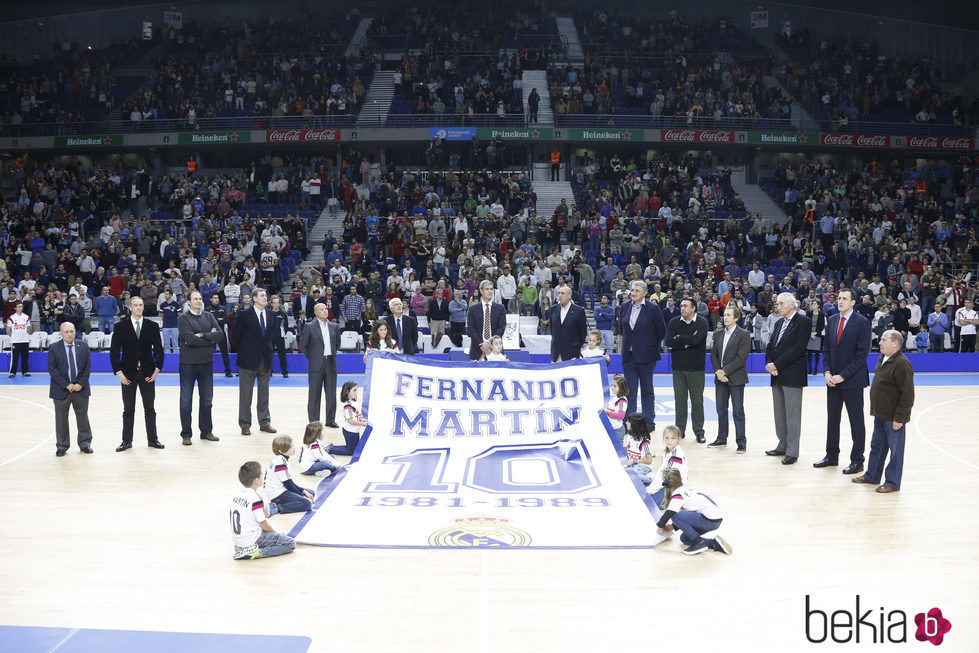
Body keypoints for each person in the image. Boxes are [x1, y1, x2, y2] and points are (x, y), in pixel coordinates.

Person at [816, 288, 872, 474]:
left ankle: (857, 460)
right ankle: (831, 455)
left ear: (853, 302)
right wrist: (826, 372)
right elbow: (826, 350)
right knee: (833, 420)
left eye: (844, 299)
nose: (840, 301)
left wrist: (843, 375)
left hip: (853, 380)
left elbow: (861, 354)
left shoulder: (862, 322)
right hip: (832, 380)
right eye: (839, 298)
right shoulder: (831, 320)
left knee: (856, 421)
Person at [853, 330, 915, 493]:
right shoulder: (883, 358)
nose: (879, 342)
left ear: (895, 343)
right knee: (877, 447)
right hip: (880, 414)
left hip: (894, 417)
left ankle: (892, 483)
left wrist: (900, 418)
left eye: (883, 339)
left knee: (895, 452)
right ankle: (872, 475)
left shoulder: (902, 363)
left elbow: (908, 394)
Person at [109, 297, 165, 451]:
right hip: (128, 374)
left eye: (141, 305)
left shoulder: (152, 326)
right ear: (130, 308)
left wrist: (157, 370)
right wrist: (118, 372)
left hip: (148, 373)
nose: (139, 307)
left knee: (150, 409)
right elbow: (114, 351)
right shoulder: (120, 327)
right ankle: (126, 441)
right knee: (128, 409)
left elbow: (159, 350)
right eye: (136, 305)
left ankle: (153, 439)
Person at [764, 293, 810, 465]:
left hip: (792, 374)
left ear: (793, 305)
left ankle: (792, 451)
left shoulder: (803, 322)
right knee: (780, 413)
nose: (778, 306)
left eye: (782, 303)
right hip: (776, 374)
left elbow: (798, 348)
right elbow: (771, 345)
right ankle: (782, 445)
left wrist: (776, 364)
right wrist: (769, 362)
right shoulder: (778, 323)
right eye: (777, 304)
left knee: (792, 414)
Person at [619, 280, 667, 430]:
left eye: (637, 291)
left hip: (647, 356)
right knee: (629, 391)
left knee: (647, 390)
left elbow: (661, 330)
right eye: (632, 290)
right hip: (629, 356)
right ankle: (629, 422)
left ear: (645, 293)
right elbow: (622, 328)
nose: (633, 293)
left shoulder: (653, 308)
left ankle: (649, 422)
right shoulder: (625, 306)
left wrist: (649, 344)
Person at [178, 291, 223, 445]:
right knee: (185, 401)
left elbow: (220, 335)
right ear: (188, 302)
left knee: (206, 400)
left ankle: (206, 432)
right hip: (187, 364)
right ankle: (186, 434)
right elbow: (189, 338)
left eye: (200, 299)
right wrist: (209, 339)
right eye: (195, 299)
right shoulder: (183, 318)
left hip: (206, 363)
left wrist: (201, 336)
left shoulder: (209, 316)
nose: (198, 301)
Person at [655, 468, 732, 556]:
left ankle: (698, 543)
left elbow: (670, 512)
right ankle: (714, 543)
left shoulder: (678, 494)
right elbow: (691, 512)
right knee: (685, 538)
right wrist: (673, 526)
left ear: (666, 482)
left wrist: (660, 525)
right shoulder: (687, 489)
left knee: (675, 516)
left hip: (709, 520)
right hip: (715, 520)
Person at [232, 287, 276, 436]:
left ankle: (264, 422)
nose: (265, 297)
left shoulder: (271, 314)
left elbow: (271, 337)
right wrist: (245, 351)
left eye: (266, 295)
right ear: (254, 298)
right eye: (262, 295)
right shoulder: (244, 314)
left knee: (264, 395)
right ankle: (245, 424)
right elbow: (235, 336)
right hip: (247, 360)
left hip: (266, 360)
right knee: (245, 395)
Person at [229, 461, 296, 560]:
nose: (262, 476)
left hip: (238, 540)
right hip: (252, 539)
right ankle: (257, 552)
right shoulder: (255, 498)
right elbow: (263, 524)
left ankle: (243, 548)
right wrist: (275, 533)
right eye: (261, 474)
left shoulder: (237, 494)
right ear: (257, 480)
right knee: (290, 543)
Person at [665, 297, 709, 443]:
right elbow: (669, 341)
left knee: (697, 402)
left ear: (693, 308)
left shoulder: (702, 322)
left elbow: (696, 341)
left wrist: (680, 339)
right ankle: (680, 431)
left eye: (685, 306)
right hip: (678, 368)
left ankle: (699, 432)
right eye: (681, 305)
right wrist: (687, 341)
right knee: (680, 401)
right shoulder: (674, 322)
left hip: (696, 369)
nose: (682, 308)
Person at [709, 304, 750, 453]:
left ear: (736, 318)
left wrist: (724, 372)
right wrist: (717, 371)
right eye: (724, 315)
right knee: (721, 410)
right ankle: (721, 438)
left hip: (736, 378)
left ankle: (741, 442)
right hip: (720, 378)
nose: (725, 317)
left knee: (738, 411)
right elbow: (714, 355)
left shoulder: (744, 334)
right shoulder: (718, 333)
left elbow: (741, 358)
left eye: (728, 315)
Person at [48, 322, 93, 456]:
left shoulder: (83, 346)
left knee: (83, 417)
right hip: (61, 389)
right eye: (66, 332)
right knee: (61, 418)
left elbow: (87, 367)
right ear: (61, 333)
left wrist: (80, 383)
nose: (70, 334)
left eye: (72, 331)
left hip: (81, 388)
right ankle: (62, 445)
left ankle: (85, 443)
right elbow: (52, 369)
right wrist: (66, 384)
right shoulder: (54, 348)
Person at [298, 303, 341, 428]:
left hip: (331, 362)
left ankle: (330, 419)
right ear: (315, 312)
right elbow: (303, 345)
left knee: (331, 393)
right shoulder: (310, 327)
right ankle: (314, 421)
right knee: (314, 394)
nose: (325, 311)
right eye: (321, 309)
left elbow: (337, 344)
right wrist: (313, 358)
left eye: (325, 309)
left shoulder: (334, 326)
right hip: (316, 363)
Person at [263, 436, 314, 514]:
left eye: (292, 445)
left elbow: (289, 483)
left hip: (281, 489)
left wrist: (303, 491)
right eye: (290, 447)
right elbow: (288, 485)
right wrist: (302, 496)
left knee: (311, 493)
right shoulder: (280, 463)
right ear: (281, 451)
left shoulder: (282, 459)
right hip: (277, 494)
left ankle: (282, 503)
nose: (293, 448)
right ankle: (276, 508)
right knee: (307, 504)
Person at [648, 425, 688, 507]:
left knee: (650, 505)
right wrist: (651, 487)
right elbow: (660, 472)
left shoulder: (676, 456)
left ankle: (676, 502)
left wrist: (652, 490)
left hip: (674, 487)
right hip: (667, 484)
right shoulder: (666, 452)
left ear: (679, 439)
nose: (669, 441)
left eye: (673, 438)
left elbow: (668, 479)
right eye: (667, 438)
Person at [466, 279, 506, 361]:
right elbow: (471, 328)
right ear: (481, 291)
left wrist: (489, 343)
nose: (490, 291)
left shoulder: (500, 308)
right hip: (477, 349)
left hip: (495, 350)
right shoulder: (473, 309)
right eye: (487, 289)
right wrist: (482, 344)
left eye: (491, 289)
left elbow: (501, 327)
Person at [549, 286, 587, 362]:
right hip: (556, 353)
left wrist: (576, 347)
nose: (560, 295)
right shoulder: (553, 309)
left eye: (562, 293)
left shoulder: (579, 311)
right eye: (559, 293)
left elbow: (583, 333)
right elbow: (551, 328)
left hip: (572, 354)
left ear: (569, 295)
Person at [333, 381, 368, 456]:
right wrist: (362, 423)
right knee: (350, 451)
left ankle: (331, 447)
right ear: (347, 392)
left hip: (354, 431)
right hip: (350, 432)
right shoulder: (348, 406)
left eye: (357, 390)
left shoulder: (354, 403)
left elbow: (357, 416)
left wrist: (362, 420)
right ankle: (329, 450)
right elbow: (350, 421)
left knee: (352, 448)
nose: (356, 392)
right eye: (354, 390)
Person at [622, 413, 654, 485]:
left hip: (644, 465)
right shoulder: (630, 435)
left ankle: (652, 479)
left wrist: (634, 461)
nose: (626, 422)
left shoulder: (644, 442)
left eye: (628, 421)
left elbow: (649, 460)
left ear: (635, 424)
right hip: (633, 464)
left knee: (629, 477)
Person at [205, 293, 233, 377]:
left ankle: (228, 371)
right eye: (214, 298)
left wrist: (214, 320)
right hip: (211, 333)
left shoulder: (223, 308)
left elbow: (225, 320)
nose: (216, 299)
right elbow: (207, 321)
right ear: (211, 299)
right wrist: (218, 320)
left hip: (221, 333)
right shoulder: (207, 309)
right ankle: (207, 372)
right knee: (208, 353)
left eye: (217, 298)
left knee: (225, 353)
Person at [7, 301, 31, 377]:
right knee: (15, 357)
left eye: (21, 306)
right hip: (15, 341)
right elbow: (8, 329)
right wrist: (13, 336)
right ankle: (12, 372)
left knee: (25, 357)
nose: (20, 308)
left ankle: (25, 371)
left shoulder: (26, 317)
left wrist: (24, 335)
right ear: (15, 308)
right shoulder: (11, 318)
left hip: (25, 340)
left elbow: (28, 328)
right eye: (19, 307)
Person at [269, 295, 289, 378]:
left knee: (282, 354)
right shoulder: (268, 312)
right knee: (269, 354)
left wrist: (283, 333)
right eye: (275, 303)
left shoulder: (283, 313)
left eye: (278, 303)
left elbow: (286, 325)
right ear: (272, 304)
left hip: (280, 336)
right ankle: (269, 371)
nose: (277, 304)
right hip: (270, 337)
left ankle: (284, 371)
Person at [158, 287, 181, 354]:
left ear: (171, 295)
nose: (165, 296)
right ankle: (167, 360)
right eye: (165, 294)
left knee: (175, 345)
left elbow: (180, 315)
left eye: (167, 294)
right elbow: (161, 315)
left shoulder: (177, 304)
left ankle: (176, 359)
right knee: (166, 345)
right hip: (165, 326)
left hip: (175, 326)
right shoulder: (162, 305)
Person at [806, 302, 825, 374]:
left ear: (818, 305)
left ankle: (815, 369)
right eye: (812, 304)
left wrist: (815, 333)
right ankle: (810, 369)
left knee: (817, 352)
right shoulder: (808, 313)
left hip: (817, 335)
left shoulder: (821, 315)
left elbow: (822, 326)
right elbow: (806, 324)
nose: (813, 305)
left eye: (815, 304)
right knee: (809, 352)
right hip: (809, 334)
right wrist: (810, 333)